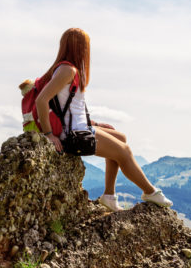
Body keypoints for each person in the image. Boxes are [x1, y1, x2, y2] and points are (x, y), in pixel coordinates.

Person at [34, 28, 173, 212]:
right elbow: (41, 100)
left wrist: (97, 125)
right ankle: (150, 192)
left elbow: (71, 106)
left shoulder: (68, 69)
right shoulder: (67, 70)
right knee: (124, 151)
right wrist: (49, 134)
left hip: (80, 127)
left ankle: (109, 196)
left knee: (120, 137)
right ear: (79, 47)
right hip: (74, 135)